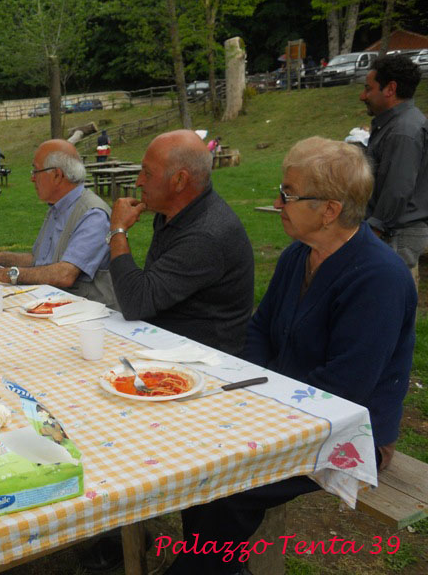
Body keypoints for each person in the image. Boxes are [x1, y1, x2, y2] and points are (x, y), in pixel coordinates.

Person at [165, 137, 417, 575]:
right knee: (196, 454)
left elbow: (345, 387)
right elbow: (260, 329)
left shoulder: (379, 278)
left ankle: (202, 568)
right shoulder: (298, 255)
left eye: (288, 194)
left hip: (348, 434)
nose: (278, 203)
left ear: (330, 210)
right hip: (282, 412)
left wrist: (262, 406)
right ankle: (212, 565)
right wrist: (259, 398)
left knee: (231, 482)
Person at [108, 130, 254, 356]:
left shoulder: (205, 236)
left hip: (205, 360)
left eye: (147, 173)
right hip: (164, 342)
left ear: (179, 181)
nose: (138, 182)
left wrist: (118, 230)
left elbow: (135, 302)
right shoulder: (172, 214)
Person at [0, 139, 117, 308]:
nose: (32, 178)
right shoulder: (58, 207)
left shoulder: (93, 214)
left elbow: (65, 275)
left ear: (57, 175)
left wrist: (0, 273)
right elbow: (38, 260)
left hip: (90, 313)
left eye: (36, 171)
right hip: (57, 305)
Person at [359, 54, 427, 281]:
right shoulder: (397, 125)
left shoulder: (403, 131)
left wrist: (373, 233)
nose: (362, 96)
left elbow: (397, 189)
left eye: (368, 89)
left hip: (395, 235)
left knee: (387, 293)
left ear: (390, 89)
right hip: (392, 233)